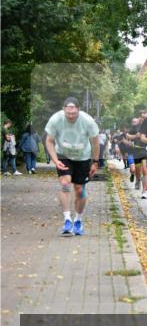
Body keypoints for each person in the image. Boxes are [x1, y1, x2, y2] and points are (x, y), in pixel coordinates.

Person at [44, 97, 100, 236]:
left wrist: (95, 162)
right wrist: (55, 160)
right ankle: (67, 219)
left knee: (79, 190)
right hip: (63, 155)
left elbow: (95, 143)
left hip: (83, 157)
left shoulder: (87, 121)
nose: (71, 116)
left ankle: (78, 220)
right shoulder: (56, 119)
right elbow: (49, 141)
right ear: (64, 110)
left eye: (74, 114)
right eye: (68, 114)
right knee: (65, 183)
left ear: (78, 110)